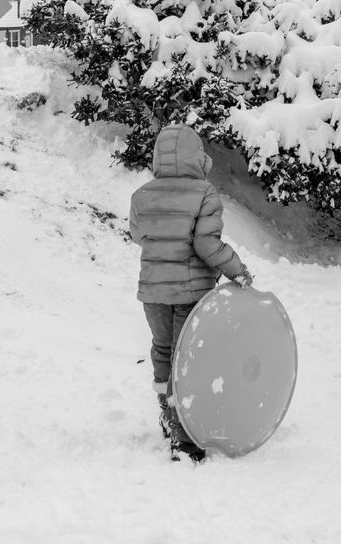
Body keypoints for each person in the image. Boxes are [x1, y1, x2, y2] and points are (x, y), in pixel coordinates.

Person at [129, 123, 253, 462]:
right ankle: (184, 440)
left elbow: (139, 236)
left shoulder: (141, 195)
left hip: (153, 293)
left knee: (163, 350)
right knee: (188, 360)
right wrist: (237, 271)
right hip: (190, 292)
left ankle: (169, 418)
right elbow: (206, 243)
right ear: (197, 158)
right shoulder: (204, 193)